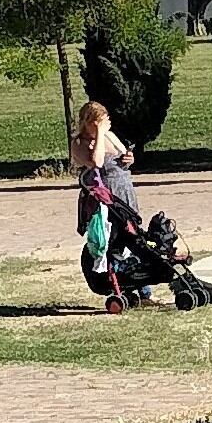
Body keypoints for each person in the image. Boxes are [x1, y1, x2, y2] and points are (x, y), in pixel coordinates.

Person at [70, 102, 151, 302]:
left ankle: (145, 290)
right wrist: (98, 134)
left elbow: (123, 156)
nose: (105, 126)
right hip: (105, 197)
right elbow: (96, 162)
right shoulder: (80, 143)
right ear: (89, 122)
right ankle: (119, 287)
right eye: (99, 122)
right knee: (113, 242)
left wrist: (128, 158)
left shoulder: (109, 135)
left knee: (135, 237)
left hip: (124, 192)